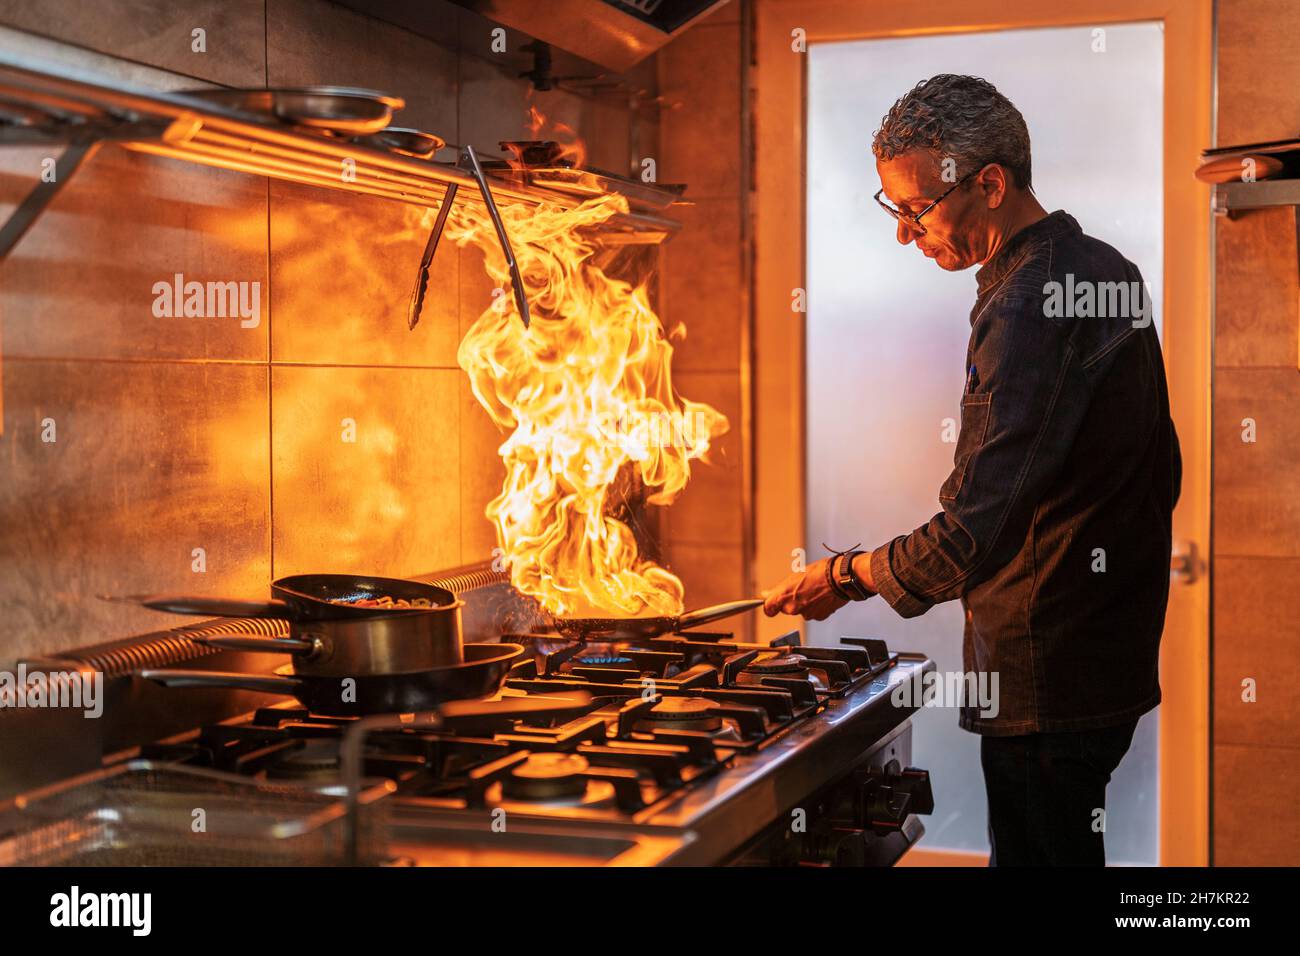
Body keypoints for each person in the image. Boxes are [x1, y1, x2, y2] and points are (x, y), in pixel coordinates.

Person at [760, 74, 1181, 866]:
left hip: (1044, 673)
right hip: (1106, 660)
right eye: (895, 212)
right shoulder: (1102, 267)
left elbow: (970, 531)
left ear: (990, 183)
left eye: (918, 210)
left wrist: (845, 575)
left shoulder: (1030, 303)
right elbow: (1163, 471)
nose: (905, 235)